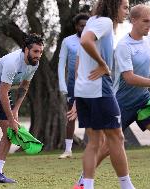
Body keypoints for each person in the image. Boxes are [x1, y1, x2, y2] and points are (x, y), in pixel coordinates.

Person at [73, 0, 135, 188]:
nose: (127, 11)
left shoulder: (92, 20)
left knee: (95, 142)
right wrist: (103, 64)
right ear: (114, 6)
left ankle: (87, 185)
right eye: (124, 7)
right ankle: (127, 186)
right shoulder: (105, 22)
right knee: (117, 137)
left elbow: (80, 53)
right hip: (99, 88)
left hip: (83, 90)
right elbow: (85, 41)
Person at [0, 33, 44, 184]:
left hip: (1, 92)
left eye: (40, 52)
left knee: (9, 132)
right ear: (26, 50)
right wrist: (12, 119)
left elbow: (24, 87)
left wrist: (16, 110)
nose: (38, 55)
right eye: (35, 52)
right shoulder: (13, 62)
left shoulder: (34, 64)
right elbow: (3, 93)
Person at [58, 13, 89, 159]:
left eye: (86, 25)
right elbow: (61, 64)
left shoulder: (94, 40)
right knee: (71, 117)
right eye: (81, 25)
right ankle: (68, 150)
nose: (84, 28)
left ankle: (93, 148)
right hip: (72, 85)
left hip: (91, 84)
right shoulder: (67, 41)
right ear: (76, 26)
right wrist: (62, 84)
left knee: (92, 115)